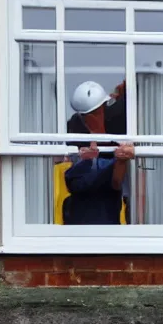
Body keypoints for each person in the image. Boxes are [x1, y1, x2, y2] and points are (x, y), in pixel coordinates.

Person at [62, 80, 133, 225]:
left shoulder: (116, 128)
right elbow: (115, 182)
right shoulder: (76, 139)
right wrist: (119, 160)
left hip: (110, 217)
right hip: (87, 220)